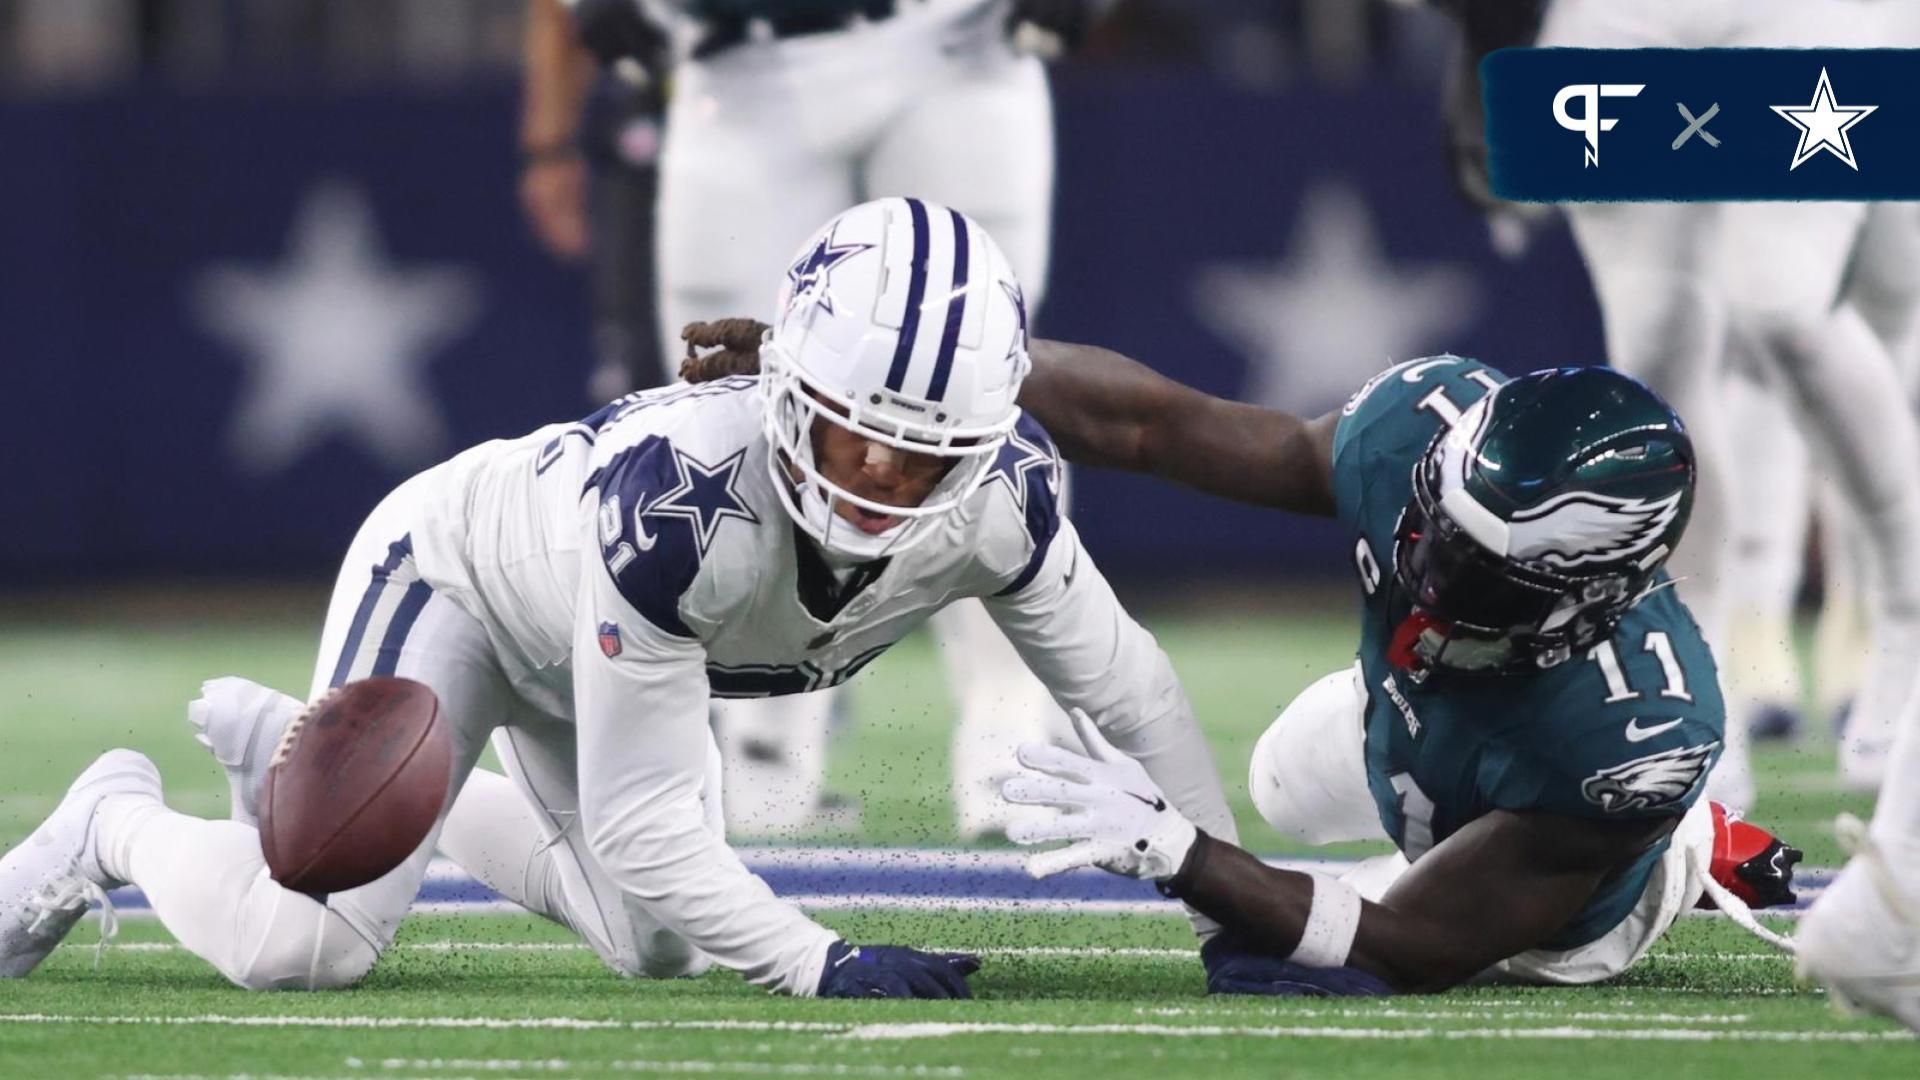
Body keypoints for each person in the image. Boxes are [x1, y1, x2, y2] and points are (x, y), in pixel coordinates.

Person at [0, 199, 1236, 996]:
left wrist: (1230, 910)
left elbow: (1132, 693)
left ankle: (313, 751)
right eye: (855, 433)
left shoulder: (1005, 502)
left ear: (984, 442)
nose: (878, 475)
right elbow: (649, 822)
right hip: (461, 584)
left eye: (922, 453)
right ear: (789, 384)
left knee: (658, 942)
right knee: (303, 947)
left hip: (593, 647)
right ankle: (113, 823)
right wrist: (820, 961)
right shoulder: (681, 512)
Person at [991, 344, 1803, 992]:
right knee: (1280, 784)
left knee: (1323, 948)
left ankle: (1676, 843)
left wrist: (1185, 855)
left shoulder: (1632, 733)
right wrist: (981, 363)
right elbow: (1159, 427)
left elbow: (1417, 947)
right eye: (1435, 528)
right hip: (1417, 718)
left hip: (1546, 860)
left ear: (1591, 600)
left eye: (1482, 576)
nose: (1429, 580)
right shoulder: (1419, 428)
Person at [632, 0, 1106, 840]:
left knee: (983, 381)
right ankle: (763, 745)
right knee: (734, 388)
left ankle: (1010, 744)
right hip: (739, 50)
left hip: (960, 36)